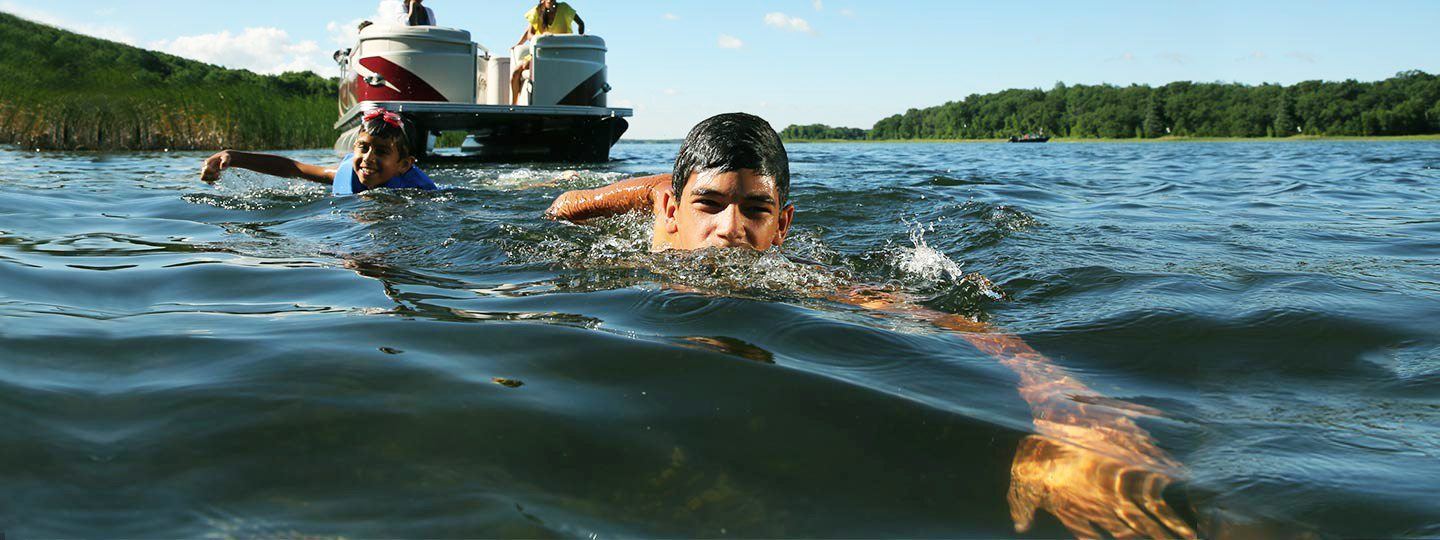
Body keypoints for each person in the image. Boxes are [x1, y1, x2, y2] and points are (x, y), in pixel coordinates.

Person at [545, 113, 1197, 539]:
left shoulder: (807, 277)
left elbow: (958, 321)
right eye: (709, 206)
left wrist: (1064, 407)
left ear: (783, 227)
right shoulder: (645, 246)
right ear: (672, 210)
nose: (730, 231)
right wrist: (661, 195)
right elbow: (565, 208)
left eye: (756, 211)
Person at [199, 108, 438, 195]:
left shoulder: (418, 193)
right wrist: (234, 156)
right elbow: (294, 168)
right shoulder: (347, 176)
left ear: (404, 165)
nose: (368, 158)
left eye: (382, 152)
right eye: (363, 148)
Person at [510, 0, 585, 105]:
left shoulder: (564, 8)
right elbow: (530, 34)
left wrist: (580, 39)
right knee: (516, 72)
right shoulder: (537, 11)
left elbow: (581, 24)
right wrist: (541, 38)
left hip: (563, 54)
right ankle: (514, 105)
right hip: (540, 53)